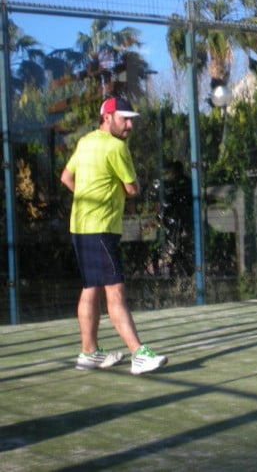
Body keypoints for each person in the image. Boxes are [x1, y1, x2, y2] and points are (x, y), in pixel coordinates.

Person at [60, 96, 168, 375]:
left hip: (80, 225)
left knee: (91, 288)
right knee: (115, 289)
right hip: (101, 228)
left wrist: (88, 194)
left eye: (131, 119)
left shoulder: (84, 142)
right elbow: (132, 188)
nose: (130, 125)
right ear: (107, 117)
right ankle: (138, 354)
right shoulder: (116, 147)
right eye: (124, 119)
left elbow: (66, 178)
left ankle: (88, 352)